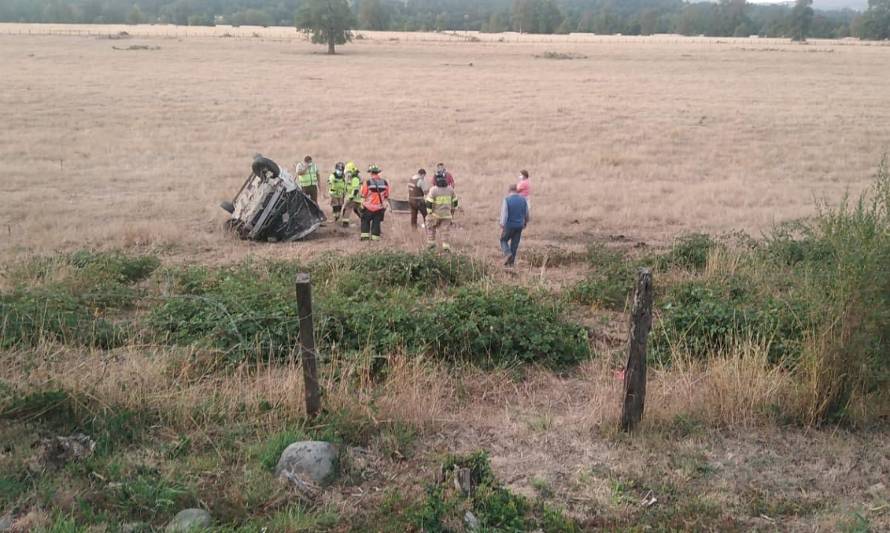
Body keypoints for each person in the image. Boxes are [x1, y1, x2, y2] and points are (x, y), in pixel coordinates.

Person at [425, 171, 458, 250]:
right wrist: (454, 209)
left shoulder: (434, 190)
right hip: (447, 215)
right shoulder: (450, 189)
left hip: (435, 214)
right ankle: (445, 246)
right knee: (445, 230)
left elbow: (429, 202)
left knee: (431, 228)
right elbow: (455, 201)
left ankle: (431, 244)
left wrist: (429, 212)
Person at [499, 183, 530, 267]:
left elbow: (504, 214)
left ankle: (508, 254)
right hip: (519, 225)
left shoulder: (507, 200)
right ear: (517, 190)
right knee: (514, 244)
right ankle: (511, 264)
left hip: (509, 225)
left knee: (503, 240)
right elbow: (526, 213)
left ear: (509, 191)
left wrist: (502, 224)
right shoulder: (523, 200)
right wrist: (526, 222)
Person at [359, 164, 390, 241]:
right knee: (376, 224)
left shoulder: (368, 182)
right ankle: (375, 239)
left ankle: (365, 238)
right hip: (379, 208)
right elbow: (386, 195)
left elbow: (363, 194)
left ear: (371, 173)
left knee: (365, 222)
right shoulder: (385, 182)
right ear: (378, 172)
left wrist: (361, 205)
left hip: (368, 207)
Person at [339, 161, 362, 227]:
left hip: (354, 198)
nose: (347, 174)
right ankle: (365, 221)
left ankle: (345, 224)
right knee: (357, 210)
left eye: (348, 172)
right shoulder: (351, 178)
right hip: (355, 198)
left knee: (347, 208)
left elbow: (356, 189)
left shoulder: (355, 179)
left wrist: (351, 197)